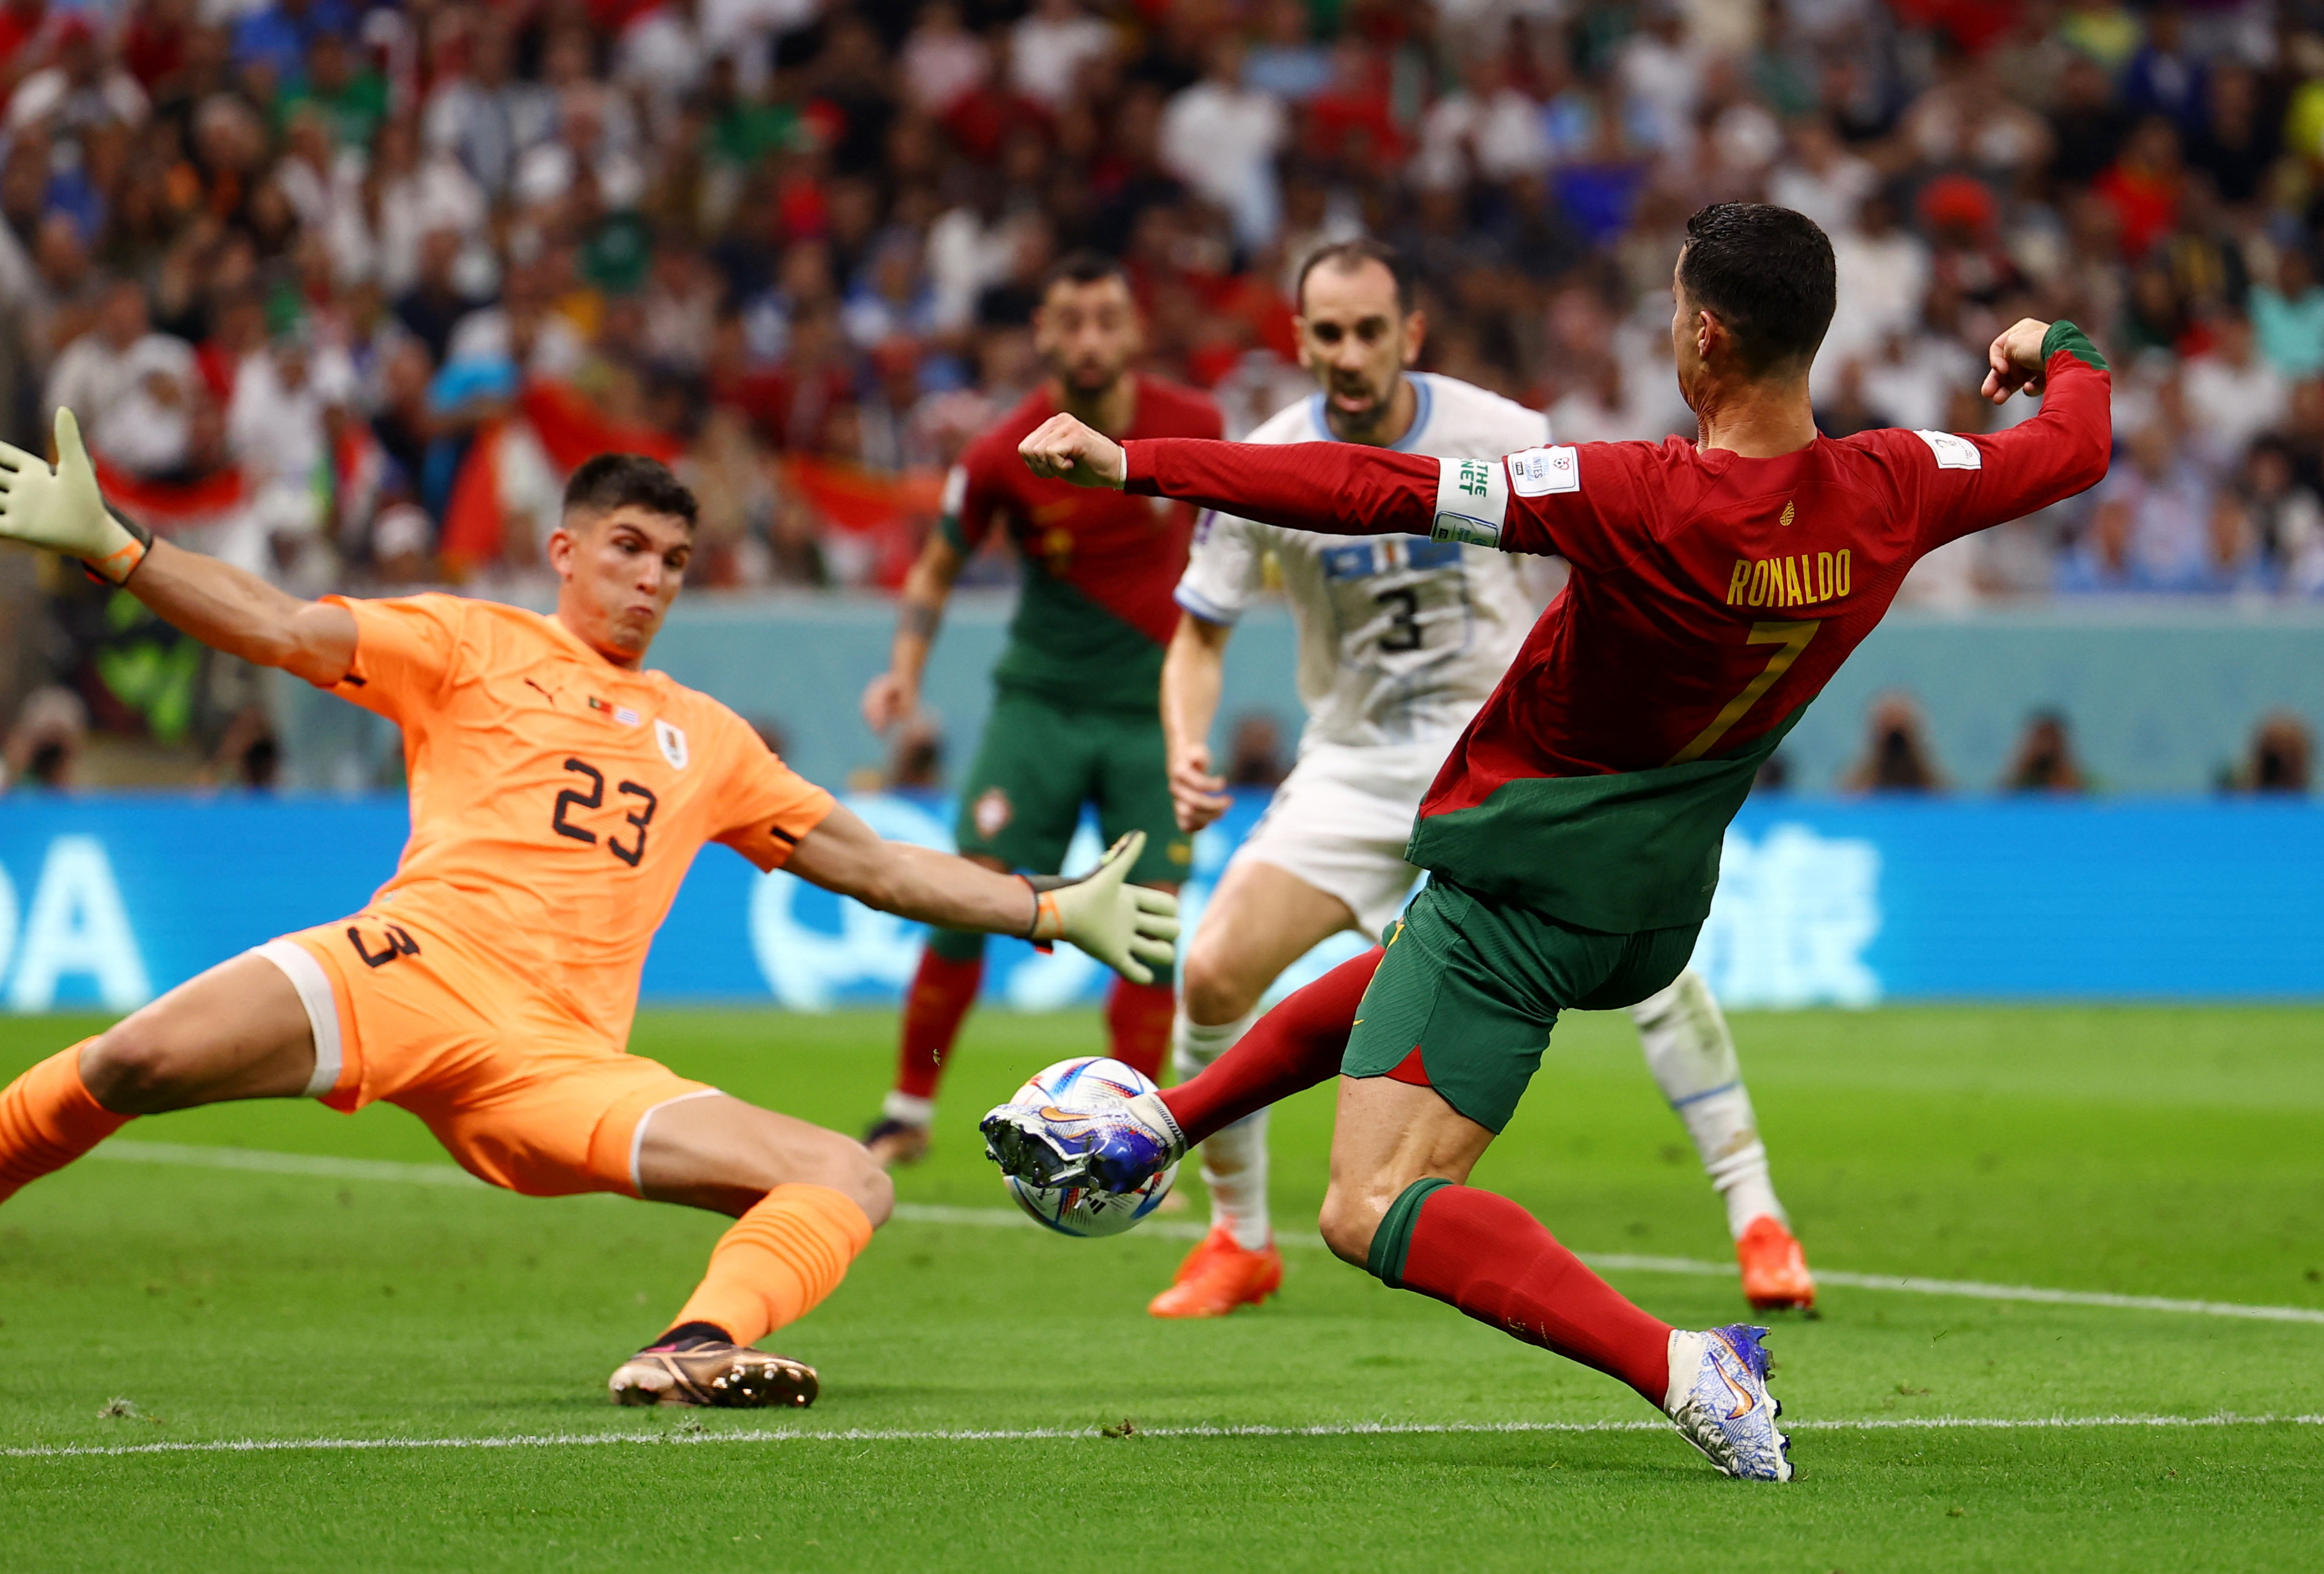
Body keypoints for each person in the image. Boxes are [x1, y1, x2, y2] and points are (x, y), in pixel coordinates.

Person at [988, 203, 2112, 1481]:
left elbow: (1375, 485)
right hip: (1650, 907)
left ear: (1701, 335)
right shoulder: (1900, 482)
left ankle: (1690, 1369)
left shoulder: (1633, 495)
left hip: (1527, 878)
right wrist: (2058, 347)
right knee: (1411, 969)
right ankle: (1166, 1123)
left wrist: (1139, 462)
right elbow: (2074, 448)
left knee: (1367, 1206)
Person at [0, 419, 1177, 1406]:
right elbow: (282, 629)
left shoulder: (711, 735)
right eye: (627, 549)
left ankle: (691, 1345)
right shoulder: (469, 641)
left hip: (560, 1059)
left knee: (846, 1174)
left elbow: (869, 862)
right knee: (130, 1061)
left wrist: (1046, 906)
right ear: (565, 548)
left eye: (674, 564)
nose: (651, 581)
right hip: (407, 963)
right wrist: (120, 547)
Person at [1154, 241, 1812, 1320]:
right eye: (1329, 333)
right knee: (1216, 970)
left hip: (1506, 760)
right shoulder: (1267, 460)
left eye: (1371, 330)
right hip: (1355, 767)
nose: (1350, 353)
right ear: (1299, 339)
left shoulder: (1503, 433)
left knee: (1658, 978)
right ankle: (1237, 1239)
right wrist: (1187, 739)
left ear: (1411, 334)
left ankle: (1757, 1216)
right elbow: (1199, 638)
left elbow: (1617, 568)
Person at [855, 252, 1221, 1163]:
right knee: (967, 900)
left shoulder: (1197, 424)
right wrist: (904, 669)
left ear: (1135, 330)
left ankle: (1138, 1138)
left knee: (1152, 929)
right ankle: (907, 1109)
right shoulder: (1000, 452)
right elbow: (938, 564)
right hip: (1041, 710)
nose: (1090, 338)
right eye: (1071, 320)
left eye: (1107, 318)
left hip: (1152, 717)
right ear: (1043, 334)